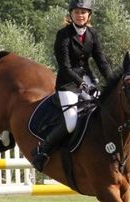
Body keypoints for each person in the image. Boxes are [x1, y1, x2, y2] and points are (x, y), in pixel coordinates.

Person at [31, 0, 113, 171]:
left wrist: (113, 81)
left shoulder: (92, 34)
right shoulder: (63, 35)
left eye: (83, 12)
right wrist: (83, 85)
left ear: (89, 15)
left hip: (87, 79)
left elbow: (101, 61)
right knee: (71, 123)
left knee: (101, 112)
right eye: (76, 12)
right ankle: (42, 150)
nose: (80, 15)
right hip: (68, 83)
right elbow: (65, 67)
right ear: (71, 14)